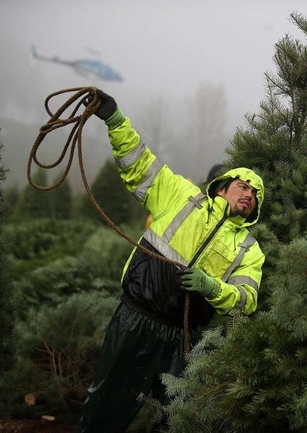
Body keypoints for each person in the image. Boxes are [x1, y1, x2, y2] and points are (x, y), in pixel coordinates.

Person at [78, 89, 265, 433]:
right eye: (243, 186)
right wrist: (115, 119)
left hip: (185, 340)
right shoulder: (180, 194)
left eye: (255, 194)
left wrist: (212, 287)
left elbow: (247, 299)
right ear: (222, 186)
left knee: (175, 422)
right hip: (136, 319)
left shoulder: (249, 249)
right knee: (107, 406)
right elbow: (138, 164)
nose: (249, 195)